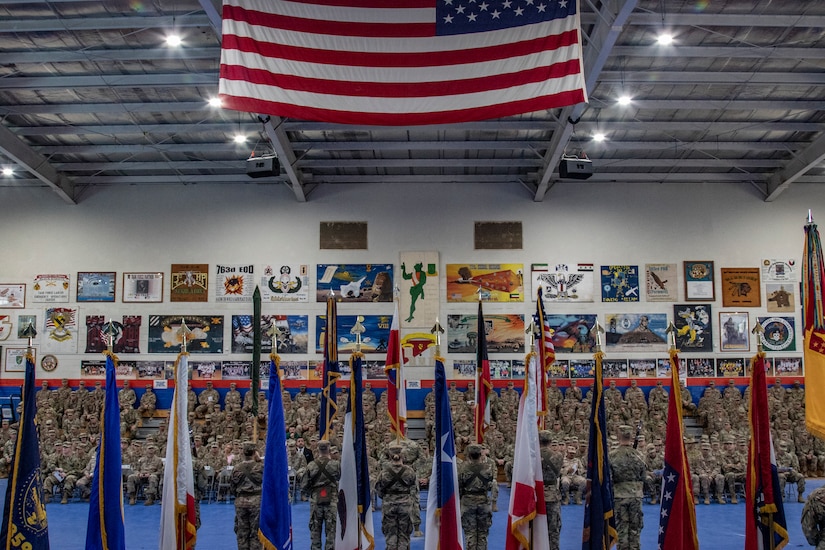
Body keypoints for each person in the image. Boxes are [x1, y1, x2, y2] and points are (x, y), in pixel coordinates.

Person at [610, 425, 646, 550]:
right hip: (636, 495)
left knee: (621, 528)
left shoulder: (612, 456)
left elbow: (609, 478)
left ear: (618, 436)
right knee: (635, 528)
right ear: (631, 437)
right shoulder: (640, 455)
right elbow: (643, 477)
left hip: (619, 496)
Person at [375, 442, 417, 550]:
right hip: (405, 505)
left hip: (389, 504)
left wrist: (387, 497)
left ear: (390, 456)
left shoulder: (384, 472)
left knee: (390, 533)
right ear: (402, 455)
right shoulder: (410, 471)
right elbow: (414, 488)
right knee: (404, 533)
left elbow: (378, 489)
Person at [302, 440, 341, 550]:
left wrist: (312, 491)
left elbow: (304, 485)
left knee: (315, 530)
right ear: (329, 449)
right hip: (332, 500)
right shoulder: (336, 465)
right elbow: (339, 478)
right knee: (331, 531)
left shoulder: (311, 465)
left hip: (316, 500)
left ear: (318, 449)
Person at [457, 443, 494, 550]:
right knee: (483, 532)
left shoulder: (462, 468)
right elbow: (490, 484)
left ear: (468, 454)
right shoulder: (488, 468)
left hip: (467, 502)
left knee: (470, 532)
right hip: (483, 501)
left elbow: (459, 485)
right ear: (480, 454)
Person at [230, 442, 263, 550]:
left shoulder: (236, 468)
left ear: (243, 453)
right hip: (257, 501)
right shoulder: (261, 466)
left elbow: (232, 488)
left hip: (241, 501)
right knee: (256, 532)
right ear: (255, 452)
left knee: (242, 532)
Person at [539, 431, 563, 549]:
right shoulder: (558, 456)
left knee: (537, 526)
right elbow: (558, 473)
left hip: (537, 495)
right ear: (551, 441)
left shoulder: (532, 455)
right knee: (553, 528)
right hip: (553, 494)